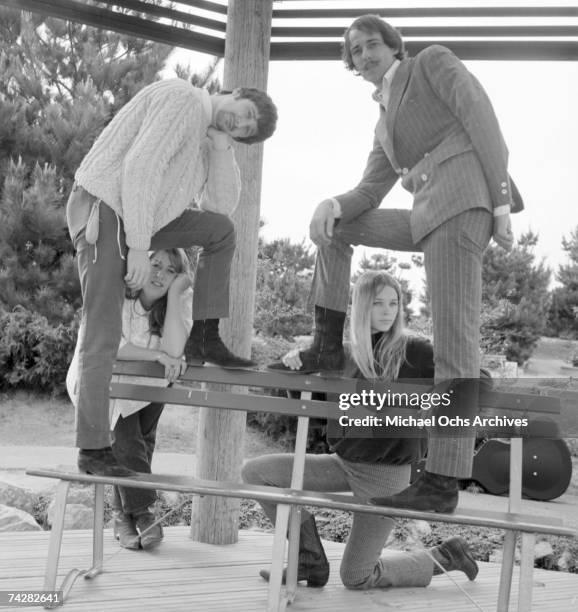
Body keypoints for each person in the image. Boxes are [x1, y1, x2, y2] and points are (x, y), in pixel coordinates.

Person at [269, 14, 523, 513]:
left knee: (455, 344)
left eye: (370, 45)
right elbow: (369, 191)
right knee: (338, 227)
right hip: (426, 215)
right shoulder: (383, 121)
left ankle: (443, 481)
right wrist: (332, 205)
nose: (363, 56)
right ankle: (325, 342)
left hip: (462, 204)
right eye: (354, 52)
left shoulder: (431, 63)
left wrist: (498, 204)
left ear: (393, 45)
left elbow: (484, 121)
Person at [67, 78, 277, 477]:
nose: (239, 123)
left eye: (244, 131)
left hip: (140, 217)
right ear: (236, 91)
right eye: (245, 113)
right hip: (106, 205)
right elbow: (140, 167)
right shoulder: (183, 99)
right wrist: (142, 248)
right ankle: (93, 449)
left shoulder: (205, 135)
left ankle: (204, 336)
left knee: (220, 231)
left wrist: (219, 147)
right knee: (104, 327)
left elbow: (219, 206)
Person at [245, 271, 478, 590]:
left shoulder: (417, 351)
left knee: (356, 577)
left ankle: (446, 555)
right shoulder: (342, 353)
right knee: (256, 473)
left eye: (393, 303)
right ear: (361, 307)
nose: (386, 310)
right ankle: (308, 558)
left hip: (386, 477)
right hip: (342, 464)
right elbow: (277, 374)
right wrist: (293, 359)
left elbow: (471, 376)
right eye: (377, 303)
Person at [67, 248, 192, 550]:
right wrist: (157, 355)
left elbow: (174, 351)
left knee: (136, 446)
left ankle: (123, 518)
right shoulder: (116, 294)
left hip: (150, 389)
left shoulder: (179, 304)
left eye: (172, 271)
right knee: (127, 439)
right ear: (139, 265)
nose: (161, 275)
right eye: (155, 264)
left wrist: (175, 294)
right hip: (105, 386)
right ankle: (145, 513)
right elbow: (113, 345)